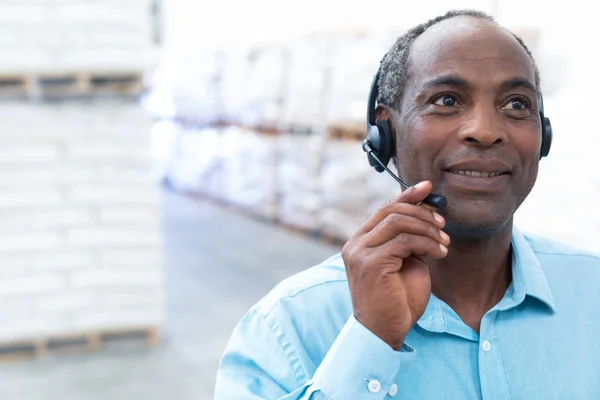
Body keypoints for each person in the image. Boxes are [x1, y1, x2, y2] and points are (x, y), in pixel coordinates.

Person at [214, 9, 600, 399]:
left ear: (543, 136)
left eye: (517, 104)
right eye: (447, 100)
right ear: (386, 133)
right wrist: (370, 340)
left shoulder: (592, 291)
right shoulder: (287, 327)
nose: (485, 131)